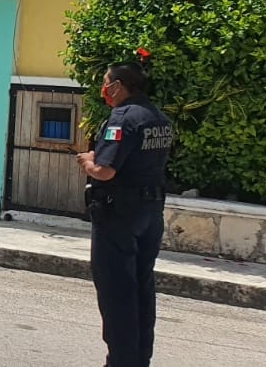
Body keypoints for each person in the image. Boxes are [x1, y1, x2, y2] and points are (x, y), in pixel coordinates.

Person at [78, 62, 172, 367]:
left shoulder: (123, 118)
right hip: (149, 214)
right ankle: (138, 359)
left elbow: (105, 171)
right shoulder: (158, 117)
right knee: (141, 289)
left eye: (106, 82)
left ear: (118, 85)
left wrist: (88, 163)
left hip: (118, 215)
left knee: (116, 293)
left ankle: (120, 361)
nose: (104, 89)